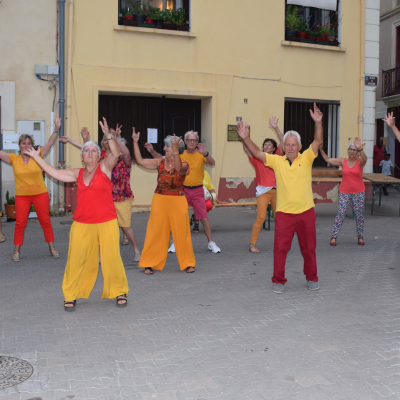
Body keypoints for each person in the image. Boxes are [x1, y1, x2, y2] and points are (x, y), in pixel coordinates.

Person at [25, 118, 129, 311]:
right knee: (75, 259)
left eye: (93, 151)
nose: (89, 153)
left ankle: (119, 290)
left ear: (99, 156)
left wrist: (108, 135)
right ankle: (71, 295)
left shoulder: (105, 168)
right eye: (86, 151)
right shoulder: (77, 173)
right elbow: (54, 173)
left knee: (112, 258)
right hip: (82, 223)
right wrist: (36, 157)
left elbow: (116, 153)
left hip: (107, 222)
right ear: (82, 157)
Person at [236, 103, 323, 294]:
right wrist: (246, 137)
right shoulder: (277, 161)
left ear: (299, 146)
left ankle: (312, 277)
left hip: (306, 212)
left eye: (294, 144)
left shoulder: (307, 157)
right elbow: (258, 153)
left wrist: (318, 122)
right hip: (284, 213)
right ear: (283, 146)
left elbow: (317, 141)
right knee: (280, 249)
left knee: (309, 249)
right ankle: (279, 280)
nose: (290, 147)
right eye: (287, 144)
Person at [60, 124, 141, 262]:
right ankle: (100, 254)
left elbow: (126, 152)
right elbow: (88, 150)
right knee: (102, 227)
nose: (106, 142)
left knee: (126, 227)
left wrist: (116, 138)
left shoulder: (123, 159)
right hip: (106, 199)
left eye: (108, 140)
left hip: (122, 197)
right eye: (104, 140)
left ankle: (136, 250)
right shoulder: (101, 157)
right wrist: (78, 140)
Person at [132, 130, 195, 274]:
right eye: (166, 146)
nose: (164, 149)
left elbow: (179, 170)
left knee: (182, 232)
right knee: (156, 231)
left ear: (174, 148)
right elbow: (141, 161)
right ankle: (149, 263)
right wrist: (135, 143)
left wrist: (174, 151)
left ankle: (188, 262)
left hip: (178, 200)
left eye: (167, 146)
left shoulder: (185, 164)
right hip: (160, 199)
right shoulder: (159, 162)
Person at [0, 116, 61, 262]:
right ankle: (16, 250)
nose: (26, 145)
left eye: (29, 143)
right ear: (19, 145)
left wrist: (56, 129)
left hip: (40, 194)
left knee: (45, 220)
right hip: (22, 196)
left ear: (32, 145)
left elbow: (50, 142)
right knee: (20, 222)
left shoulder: (38, 155)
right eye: (23, 143)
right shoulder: (14, 159)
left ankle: (52, 247)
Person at [243, 116, 284, 253]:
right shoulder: (257, 159)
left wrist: (276, 128)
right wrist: (245, 137)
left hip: (277, 191)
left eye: (269, 144)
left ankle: (281, 244)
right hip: (263, 192)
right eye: (264, 144)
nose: (266, 145)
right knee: (260, 217)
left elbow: (283, 142)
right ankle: (252, 244)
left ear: (273, 149)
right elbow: (248, 149)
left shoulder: (277, 157)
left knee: (280, 219)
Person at [320, 139, 367, 246]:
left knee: (359, 215)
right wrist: (321, 149)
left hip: (358, 192)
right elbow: (327, 159)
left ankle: (360, 236)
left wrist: (360, 149)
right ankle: (334, 236)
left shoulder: (360, 161)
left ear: (357, 152)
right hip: (344, 192)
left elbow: (365, 159)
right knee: (341, 213)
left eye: (354, 150)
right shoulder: (343, 161)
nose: (352, 151)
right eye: (350, 149)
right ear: (348, 150)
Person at [180, 131, 221, 253]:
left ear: (197, 142)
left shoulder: (201, 155)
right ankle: (176, 243)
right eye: (190, 140)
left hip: (198, 190)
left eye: (194, 140)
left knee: (204, 218)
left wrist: (206, 153)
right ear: (186, 142)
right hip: (183, 190)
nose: (192, 142)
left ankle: (210, 243)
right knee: (180, 217)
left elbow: (213, 163)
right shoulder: (181, 156)